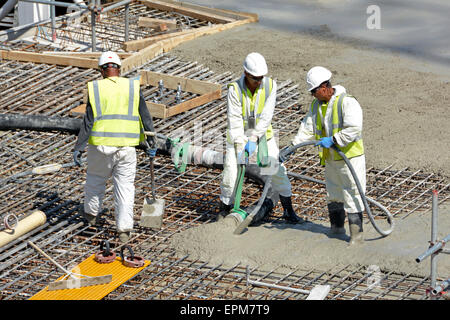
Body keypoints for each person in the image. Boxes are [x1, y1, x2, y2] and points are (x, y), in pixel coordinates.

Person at [73, 51, 157, 243]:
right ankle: (124, 230)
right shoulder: (132, 87)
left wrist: (79, 147)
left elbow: (88, 121)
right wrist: (151, 140)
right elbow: (145, 116)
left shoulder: (96, 88)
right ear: (119, 69)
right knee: (125, 187)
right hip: (126, 148)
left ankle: (91, 216)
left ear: (102, 70)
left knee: (95, 179)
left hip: (100, 146)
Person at [280, 66, 366, 245]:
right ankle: (336, 230)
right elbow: (307, 127)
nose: (312, 95)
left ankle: (356, 237)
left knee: (353, 194)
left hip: (349, 158)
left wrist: (334, 139)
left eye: (314, 91)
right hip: (330, 158)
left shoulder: (347, 102)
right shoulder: (316, 106)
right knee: (333, 193)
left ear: (325, 87)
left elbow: (354, 128)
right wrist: (293, 146)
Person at [219, 52, 304, 224]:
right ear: (245, 73)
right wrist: (240, 147)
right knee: (231, 173)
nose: (258, 82)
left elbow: (266, 117)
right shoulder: (234, 89)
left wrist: (254, 139)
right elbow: (234, 121)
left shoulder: (270, 86)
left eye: (260, 78)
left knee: (278, 171)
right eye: (255, 78)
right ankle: (223, 212)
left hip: (263, 135)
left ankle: (289, 211)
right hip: (239, 135)